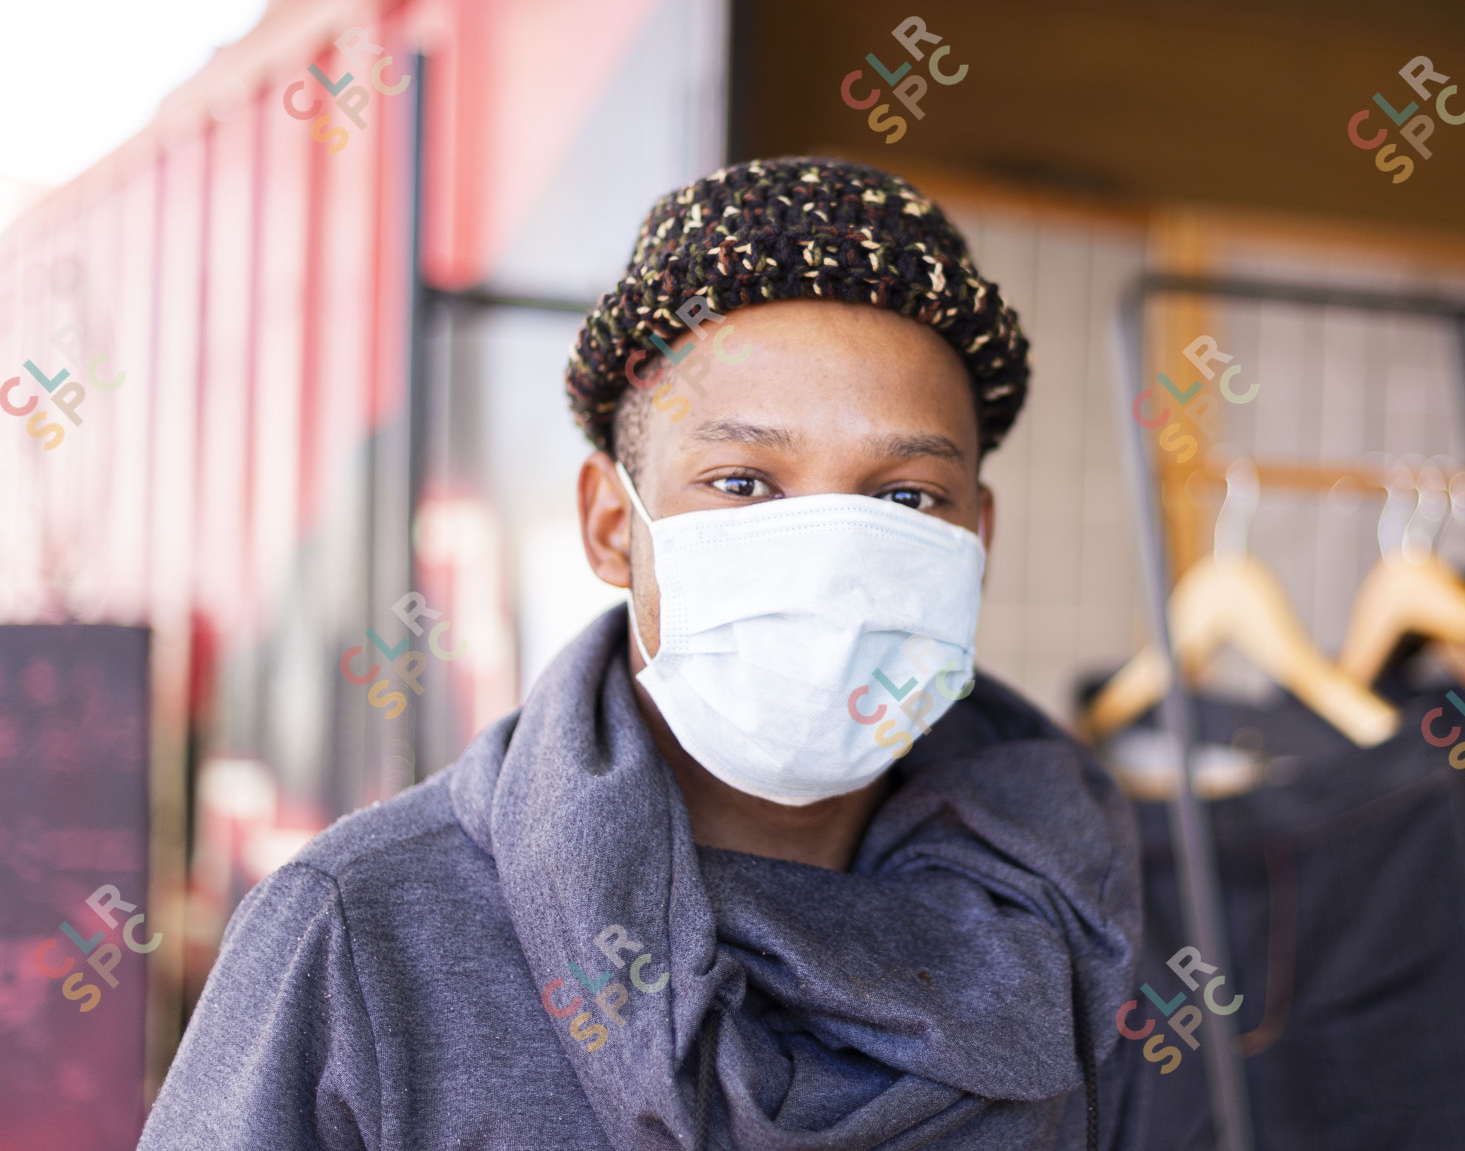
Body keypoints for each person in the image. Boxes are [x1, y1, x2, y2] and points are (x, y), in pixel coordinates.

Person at [138, 158, 1144, 1151]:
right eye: (744, 481)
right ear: (615, 524)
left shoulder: (1076, 911)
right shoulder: (364, 934)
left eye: (904, 497)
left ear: (978, 535)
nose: (832, 564)